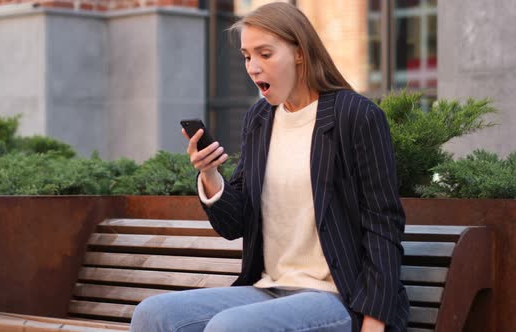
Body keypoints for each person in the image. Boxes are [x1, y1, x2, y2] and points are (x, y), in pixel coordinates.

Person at [130, 2, 409, 332]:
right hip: (268, 290)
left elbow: (382, 224)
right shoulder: (259, 120)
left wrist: (374, 323)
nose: (253, 67)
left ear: (299, 53)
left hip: (336, 297)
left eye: (265, 53)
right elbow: (236, 224)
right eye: (247, 56)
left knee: (229, 327)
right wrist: (210, 175)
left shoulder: (356, 116)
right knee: (153, 314)